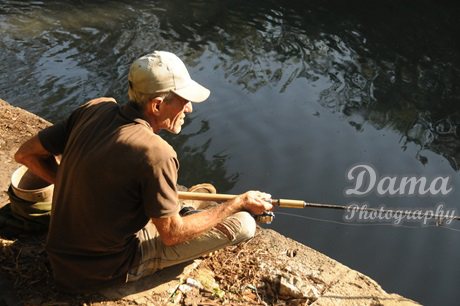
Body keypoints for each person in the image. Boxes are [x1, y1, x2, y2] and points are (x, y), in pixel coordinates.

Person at [14, 51, 273, 292]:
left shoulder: (95, 108)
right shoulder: (157, 153)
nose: (189, 109)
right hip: (102, 269)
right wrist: (237, 203)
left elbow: (25, 154)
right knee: (244, 224)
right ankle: (191, 208)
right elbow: (172, 235)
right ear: (157, 106)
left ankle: (185, 205)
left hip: (60, 255)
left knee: (192, 199)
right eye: (184, 101)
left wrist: (73, 186)